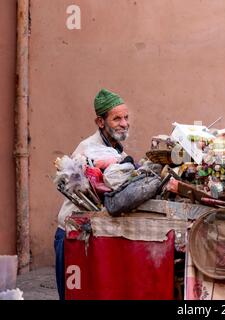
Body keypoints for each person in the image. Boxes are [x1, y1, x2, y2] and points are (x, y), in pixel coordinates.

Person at [54, 88, 130, 300]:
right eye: (117, 119)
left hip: (93, 233)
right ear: (100, 122)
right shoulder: (87, 150)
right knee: (74, 295)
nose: (124, 123)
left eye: (126, 117)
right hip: (72, 234)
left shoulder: (117, 150)